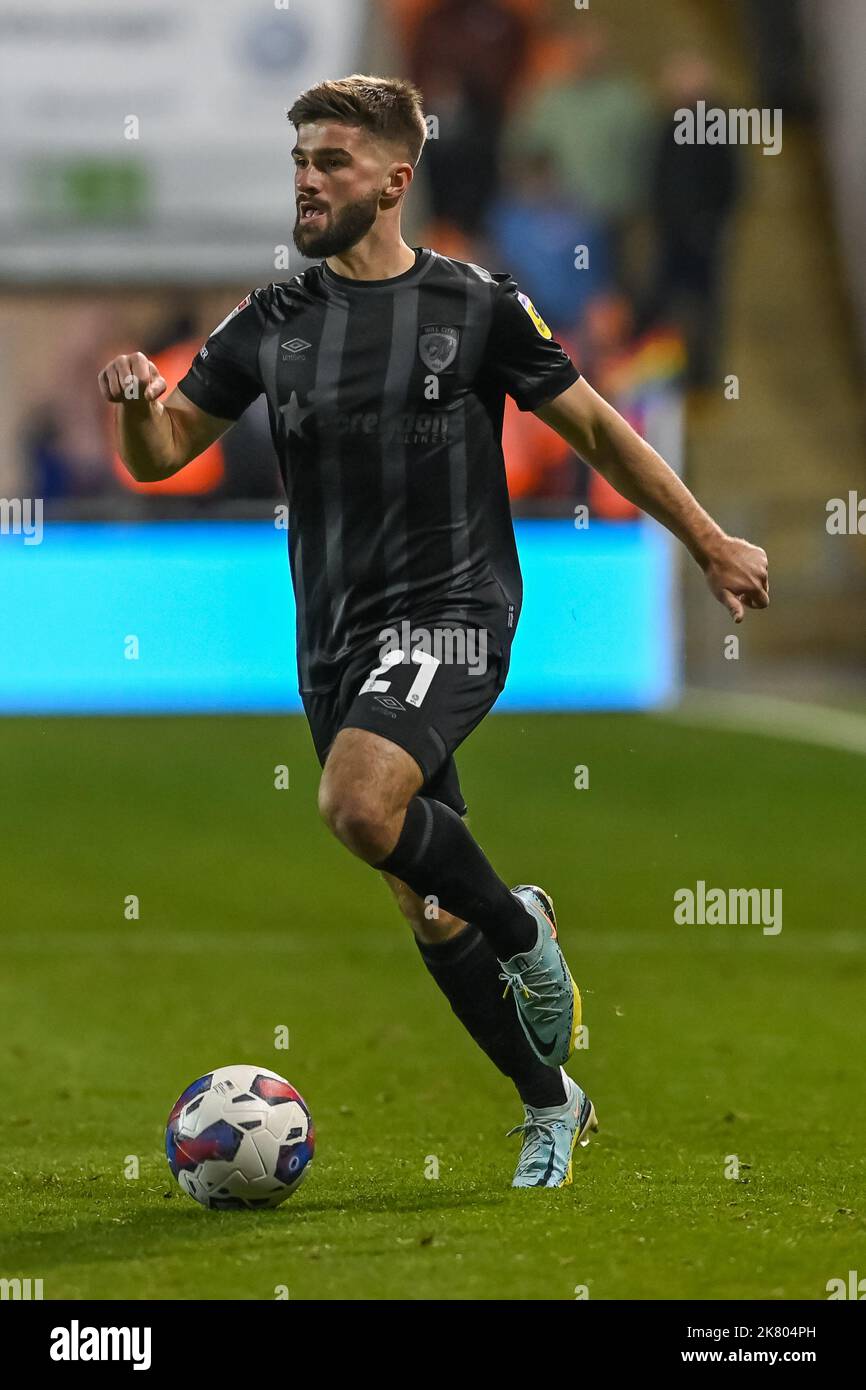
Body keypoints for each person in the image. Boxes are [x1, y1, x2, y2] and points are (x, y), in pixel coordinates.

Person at [98, 74, 769, 1189]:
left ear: (394, 180)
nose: (308, 181)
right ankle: (551, 1098)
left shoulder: (475, 307)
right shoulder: (271, 322)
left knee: (358, 806)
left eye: (332, 164)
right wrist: (133, 399)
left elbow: (597, 428)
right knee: (424, 899)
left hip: (455, 611)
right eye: (299, 162)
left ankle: (523, 934)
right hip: (335, 639)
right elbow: (163, 451)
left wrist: (704, 540)